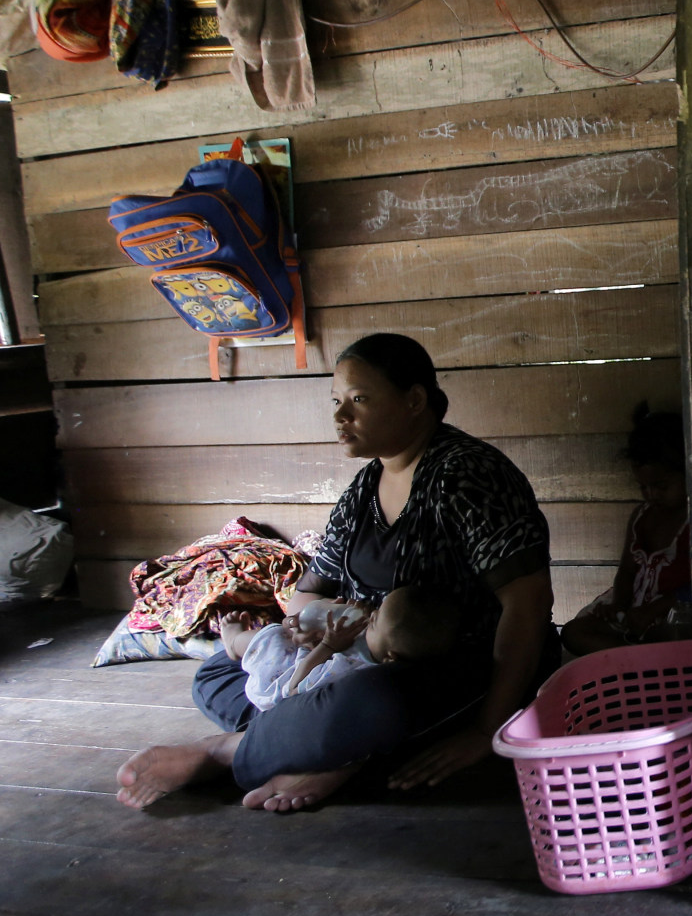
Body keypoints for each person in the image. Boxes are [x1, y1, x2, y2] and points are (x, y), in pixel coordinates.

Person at [117, 333, 557, 813]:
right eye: (337, 401)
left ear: (414, 400)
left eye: (359, 399)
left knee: (370, 704)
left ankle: (222, 752)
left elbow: (527, 603)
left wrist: (485, 730)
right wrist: (314, 629)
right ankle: (336, 753)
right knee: (219, 672)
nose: (340, 417)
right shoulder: (364, 488)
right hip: (341, 660)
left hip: (447, 671)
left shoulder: (469, 476)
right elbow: (307, 592)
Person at [559, 404, 692, 655]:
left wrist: (654, 610)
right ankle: (640, 660)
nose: (651, 494)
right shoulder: (641, 516)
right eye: (643, 487)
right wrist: (618, 604)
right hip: (633, 611)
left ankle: (637, 661)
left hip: (671, 617)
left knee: (676, 643)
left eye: (661, 486)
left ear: (689, 472)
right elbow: (627, 570)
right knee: (572, 632)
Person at [217, 586, 460, 711]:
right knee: (283, 633)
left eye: (374, 621)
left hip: (281, 683)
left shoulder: (352, 673)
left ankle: (233, 642)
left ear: (390, 657)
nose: (370, 614)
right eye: (376, 610)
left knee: (272, 639)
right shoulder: (382, 648)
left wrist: (326, 646)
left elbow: (294, 689)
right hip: (313, 656)